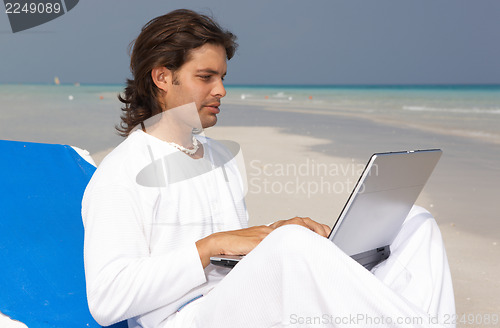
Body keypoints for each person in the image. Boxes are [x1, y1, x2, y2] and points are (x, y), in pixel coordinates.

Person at [82, 9, 455, 328]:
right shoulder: (122, 172)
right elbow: (107, 299)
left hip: (242, 300)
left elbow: (236, 255)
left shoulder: (216, 158)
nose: (221, 90)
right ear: (162, 77)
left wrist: (272, 233)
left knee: (415, 223)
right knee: (292, 244)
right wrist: (212, 246)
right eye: (206, 77)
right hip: (184, 317)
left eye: (222, 77)